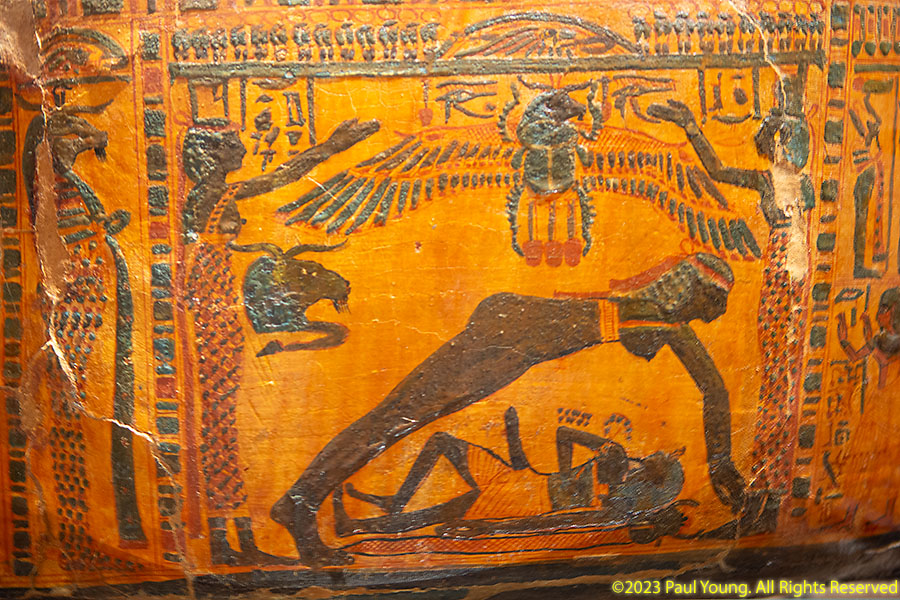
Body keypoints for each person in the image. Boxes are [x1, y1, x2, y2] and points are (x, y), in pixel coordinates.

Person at [271, 252, 746, 566]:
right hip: (506, 337)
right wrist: (721, 460)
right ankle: (299, 503)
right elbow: (713, 387)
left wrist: (722, 460)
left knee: (396, 418)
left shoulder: (658, 314)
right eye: (711, 301)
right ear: (690, 291)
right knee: (394, 420)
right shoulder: (658, 316)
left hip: (512, 343)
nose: (714, 314)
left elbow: (712, 386)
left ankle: (298, 502)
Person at [180, 118, 378, 565]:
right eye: (232, 144)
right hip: (211, 307)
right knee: (218, 427)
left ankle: (238, 540)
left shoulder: (212, 195)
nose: (242, 149)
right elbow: (280, 177)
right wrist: (333, 144)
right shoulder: (212, 194)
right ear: (210, 154)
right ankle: (226, 544)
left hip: (218, 303)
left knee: (223, 426)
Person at [649, 99, 814, 534]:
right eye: (777, 140)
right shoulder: (766, 181)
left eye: (785, 139)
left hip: (795, 277)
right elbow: (718, 170)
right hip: (778, 272)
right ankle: (762, 496)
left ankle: (769, 496)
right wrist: (691, 126)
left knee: (784, 381)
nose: (780, 148)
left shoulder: (803, 185)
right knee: (774, 378)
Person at [332, 406, 684, 537]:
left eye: (658, 461)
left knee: (435, 515)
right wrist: (589, 451)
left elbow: (551, 524)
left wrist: (488, 528)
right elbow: (563, 434)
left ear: (652, 481)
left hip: (521, 504)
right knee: (440, 441)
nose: (650, 457)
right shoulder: (617, 461)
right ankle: (396, 500)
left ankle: (355, 526)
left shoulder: (615, 509)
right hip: (521, 481)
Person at [837, 288, 900, 389]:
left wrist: (870, 340)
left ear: (894, 310)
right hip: (881, 392)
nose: (878, 316)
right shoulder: (880, 339)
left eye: (883, 310)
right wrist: (843, 340)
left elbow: (883, 361)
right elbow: (855, 357)